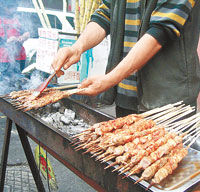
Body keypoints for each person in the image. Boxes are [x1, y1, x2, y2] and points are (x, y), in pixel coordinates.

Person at [52, 0, 200, 118]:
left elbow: (161, 31)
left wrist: (110, 79)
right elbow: (105, 15)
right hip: (125, 97)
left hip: (167, 103)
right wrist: (77, 47)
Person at [0, 0, 30, 88]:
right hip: (4, 57)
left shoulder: (18, 17)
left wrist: (23, 37)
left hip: (19, 55)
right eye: (10, 7)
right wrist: (7, 41)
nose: (13, 9)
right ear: (4, 7)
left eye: (14, 7)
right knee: (5, 82)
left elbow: (27, 32)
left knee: (18, 80)